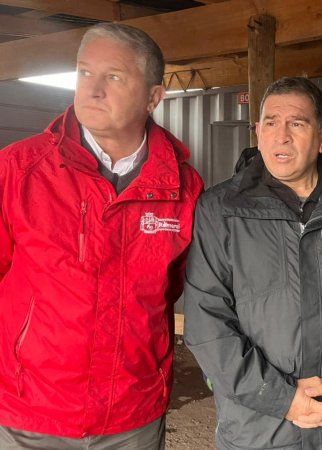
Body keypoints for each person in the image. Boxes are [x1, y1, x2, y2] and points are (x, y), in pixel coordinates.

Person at [0, 23, 203, 449]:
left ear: (153, 97)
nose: (92, 90)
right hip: (30, 414)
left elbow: (174, 288)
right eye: (84, 73)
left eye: (113, 77)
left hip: (132, 414)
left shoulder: (183, 188)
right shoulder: (18, 171)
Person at [183, 76, 322, 449]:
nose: (281, 136)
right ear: (258, 132)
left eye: (297, 124)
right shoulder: (221, 210)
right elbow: (207, 321)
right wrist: (282, 399)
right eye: (271, 123)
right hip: (258, 431)